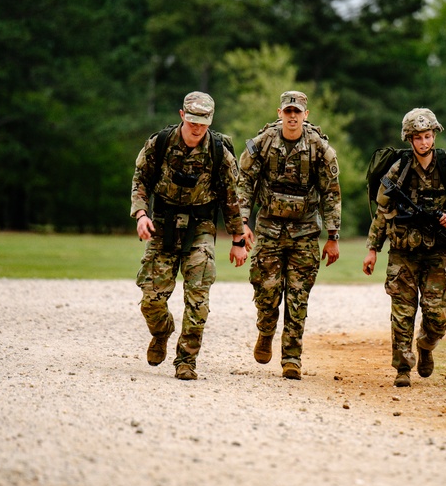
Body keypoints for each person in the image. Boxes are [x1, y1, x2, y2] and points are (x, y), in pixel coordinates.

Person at [130, 91, 248, 381]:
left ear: (210, 120)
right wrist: (141, 214)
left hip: (200, 227)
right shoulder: (160, 144)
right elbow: (140, 181)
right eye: (192, 120)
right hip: (162, 224)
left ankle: (186, 361)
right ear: (182, 115)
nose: (197, 127)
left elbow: (231, 197)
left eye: (203, 122)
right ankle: (162, 332)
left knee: (198, 298)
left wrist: (238, 239)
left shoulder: (219, 151)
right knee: (151, 300)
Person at [362, 108, 446, 387]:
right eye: (418, 138)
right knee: (402, 313)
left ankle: (426, 346)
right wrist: (372, 249)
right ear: (409, 139)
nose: (424, 143)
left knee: (438, 316)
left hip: (438, 252)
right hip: (403, 252)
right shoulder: (399, 169)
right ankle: (403, 368)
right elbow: (382, 210)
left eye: (428, 136)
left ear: (434, 136)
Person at [237, 90, 342, 380]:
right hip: (269, 229)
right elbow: (244, 181)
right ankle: (266, 329)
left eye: (297, 112)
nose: (292, 116)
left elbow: (331, 194)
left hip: (305, 232)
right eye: (288, 111)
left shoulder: (320, 150)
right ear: (279, 113)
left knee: (298, 297)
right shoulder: (262, 144)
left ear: (305, 115)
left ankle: (292, 357)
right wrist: (242, 223)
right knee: (266, 292)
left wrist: (333, 236)